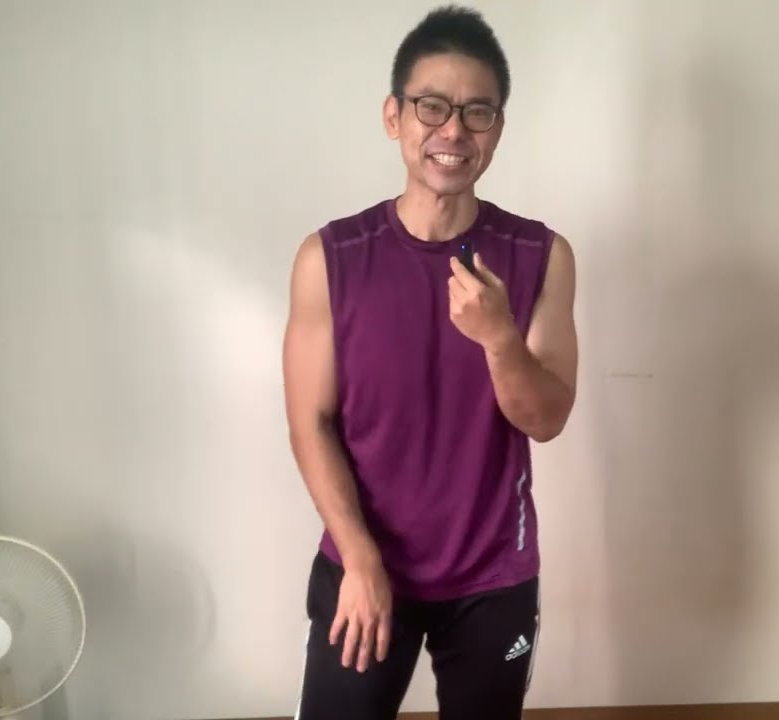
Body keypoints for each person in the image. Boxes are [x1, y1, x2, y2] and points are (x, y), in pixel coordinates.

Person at [282, 5, 578, 719]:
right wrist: (359, 558)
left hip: (492, 576)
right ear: (395, 117)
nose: (453, 131)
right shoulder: (331, 259)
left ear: (497, 129)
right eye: (432, 106)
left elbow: (546, 420)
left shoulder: (542, 256)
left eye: (478, 112)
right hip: (365, 559)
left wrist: (499, 337)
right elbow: (310, 423)